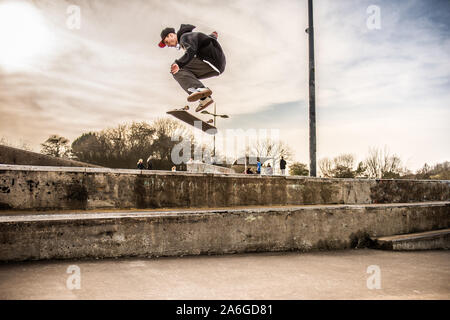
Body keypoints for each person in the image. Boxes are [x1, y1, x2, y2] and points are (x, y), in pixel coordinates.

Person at [158, 24, 226, 112]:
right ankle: (205, 99)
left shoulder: (184, 37)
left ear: (171, 35)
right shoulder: (191, 36)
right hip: (216, 67)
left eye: (167, 42)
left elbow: (191, 50)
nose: (168, 45)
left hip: (210, 61)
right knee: (187, 75)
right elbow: (207, 39)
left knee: (177, 70)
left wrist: (179, 64)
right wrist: (213, 35)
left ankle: (199, 89)